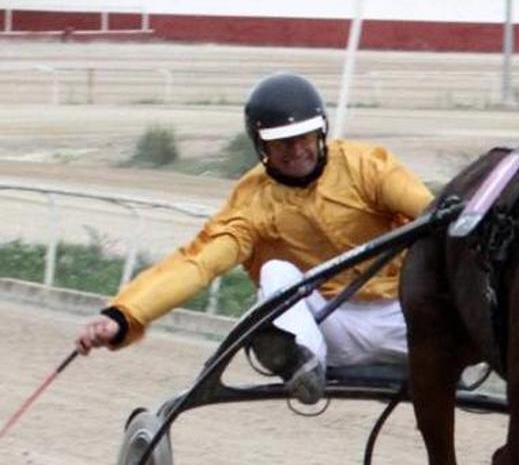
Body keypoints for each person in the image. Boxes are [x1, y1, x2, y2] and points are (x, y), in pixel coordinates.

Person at [75, 72, 434, 404]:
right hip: (333, 329)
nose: (295, 150)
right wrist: (123, 317)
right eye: (281, 143)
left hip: (406, 322)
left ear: (321, 132)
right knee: (275, 273)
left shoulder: (367, 166)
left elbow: (430, 209)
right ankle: (304, 364)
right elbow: (197, 264)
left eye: (303, 137)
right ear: (261, 146)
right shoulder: (252, 201)